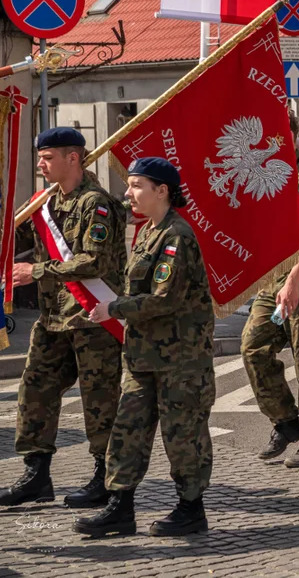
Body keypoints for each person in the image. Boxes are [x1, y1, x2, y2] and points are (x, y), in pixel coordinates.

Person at [75, 158, 215, 538]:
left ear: (162, 191)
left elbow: (163, 299)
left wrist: (113, 308)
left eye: (137, 185)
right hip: (143, 357)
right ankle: (120, 507)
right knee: (127, 431)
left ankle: (191, 508)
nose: (128, 193)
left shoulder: (176, 236)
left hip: (180, 361)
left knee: (183, 435)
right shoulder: (149, 232)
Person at [1, 128, 126, 509]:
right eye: (40, 156)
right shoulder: (43, 201)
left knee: (99, 400)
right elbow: (14, 238)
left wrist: (36, 272)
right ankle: (36, 475)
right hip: (53, 318)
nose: (40, 163)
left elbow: (94, 261)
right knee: (34, 392)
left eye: (47, 157)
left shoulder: (97, 204)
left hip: (92, 317)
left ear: (73, 158)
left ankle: (106, 479)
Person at [241, 114, 299, 469]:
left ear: (291, 136)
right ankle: (286, 422)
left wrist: (294, 281)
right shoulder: (267, 174)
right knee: (253, 347)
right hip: (273, 276)